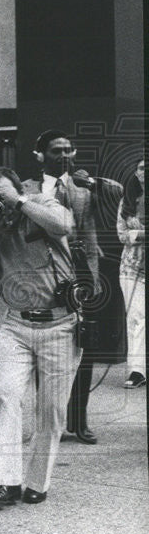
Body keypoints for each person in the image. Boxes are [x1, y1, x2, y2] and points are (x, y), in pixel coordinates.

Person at [0, 166, 81, 506]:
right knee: (6, 395)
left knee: (50, 410)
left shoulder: (43, 203)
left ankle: (37, 482)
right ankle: (7, 482)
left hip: (60, 323)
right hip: (16, 324)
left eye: (3, 195)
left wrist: (20, 204)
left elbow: (63, 225)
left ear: (19, 189)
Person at [22, 131, 101, 444]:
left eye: (69, 150)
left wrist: (92, 280)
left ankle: (78, 422)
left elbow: (91, 236)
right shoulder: (27, 189)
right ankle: (46, 422)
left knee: (83, 348)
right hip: (42, 277)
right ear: (40, 155)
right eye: (57, 151)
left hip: (77, 276)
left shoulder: (83, 189)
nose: (65, 155)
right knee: (43, 350)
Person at [118, 159, 145, 389]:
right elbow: (121, 234)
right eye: (142, 167)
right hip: (132, 267)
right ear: (135, 172)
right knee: (136, 318)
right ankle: (137, 370)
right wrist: (141, 235)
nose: (145, 172)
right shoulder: (127, 201)